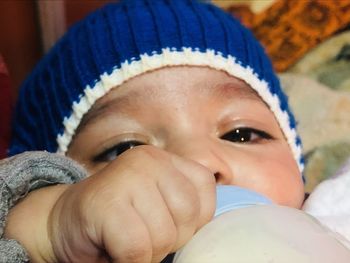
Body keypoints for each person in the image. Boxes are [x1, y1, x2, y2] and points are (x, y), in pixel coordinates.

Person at [0, 0, 346, 262]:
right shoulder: (64, 243)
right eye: (125, 148)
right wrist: (45, 229)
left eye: (241, 134)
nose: (198, 163)